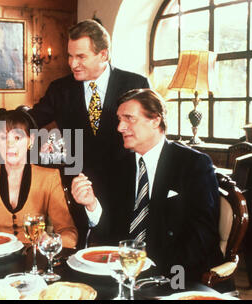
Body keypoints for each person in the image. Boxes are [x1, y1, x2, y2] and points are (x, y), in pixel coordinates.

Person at [0, 19, 150, 247]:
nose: (73, 64)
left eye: (81, 57)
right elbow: (29, 121)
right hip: (77, 189)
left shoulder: (134, 84)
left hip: (125, 190)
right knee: (78, 258)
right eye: (70, 56)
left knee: (124, 257)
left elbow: (149, 132)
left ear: (103, 55)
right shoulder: (61, 89)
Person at [71, 88, 224, 282]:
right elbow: (110, 233)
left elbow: (202, 234)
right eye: (119, 119)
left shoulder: (193, 164)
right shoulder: (116, 165)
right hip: (126, 273)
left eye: (129, 118)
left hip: (178, 273)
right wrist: (92, 205)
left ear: (155, 120)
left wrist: (160, 273)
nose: (120, 127)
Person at [0, 109, 78, 248]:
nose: (10, 145)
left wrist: (52, 242)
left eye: (17, 138)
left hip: (34, 262)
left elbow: (69, 234)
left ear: (31, 140)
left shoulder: (49, 178)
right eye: (4, 138)